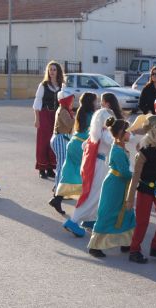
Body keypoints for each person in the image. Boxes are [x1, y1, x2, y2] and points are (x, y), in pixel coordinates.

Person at [125, 115, 156, 264]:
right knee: (142, 222)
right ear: (153, 130)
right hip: (145, 189)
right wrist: (130, 198)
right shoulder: (144, 151)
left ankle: (155, 247)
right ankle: (134, 250)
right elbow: (136, 176)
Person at [87, 117, 136, 258]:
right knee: (108, 213)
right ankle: (95, 246)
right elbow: (125, 172)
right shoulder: (118, 150)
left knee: (126, 213)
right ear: (121, 132)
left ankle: (126, 242)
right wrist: (137, 173)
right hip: (114, 186)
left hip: (121, 185)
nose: (130, 134)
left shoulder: (120, 147)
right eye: (128, 132)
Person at [62, 107, 113, 237]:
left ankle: (90, 220)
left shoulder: (94, 132)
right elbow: (114, 141)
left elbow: (83, 146)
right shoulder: (105, 133)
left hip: (91, 164)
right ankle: (73, 221)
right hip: (99, 165)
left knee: (93, 194)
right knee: (93, 196)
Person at [55, 92, 97, 199]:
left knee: (69, 172)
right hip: (81, 146)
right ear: (91, 102)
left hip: (73, 143)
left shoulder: (80, 111)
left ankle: (57, 198)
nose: (97, 103)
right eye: (95, 101)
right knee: (85, 172)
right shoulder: (92, 115)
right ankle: (85, 198)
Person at [33, 61, 63, 179]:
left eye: (54, 69)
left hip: (57, 116)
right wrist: (37, 119)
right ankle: (42, 168)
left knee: (54, 142)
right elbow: (37, 102)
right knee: (43, 142)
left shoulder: (62, 85)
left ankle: (51, 168)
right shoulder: (43, 85)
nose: (52, 72)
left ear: (58, 71)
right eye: (50, 69)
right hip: (45, 114)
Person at [48, 85, 75, 214]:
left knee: (61, 166)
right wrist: (76, 119)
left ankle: (57, 192)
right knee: (61, 167)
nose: (72, 102)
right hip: (60, 139)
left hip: (61, 139)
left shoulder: (64, 109)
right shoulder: (63, 111)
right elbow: (70, 124)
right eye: (70, 100)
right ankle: (57, 196)